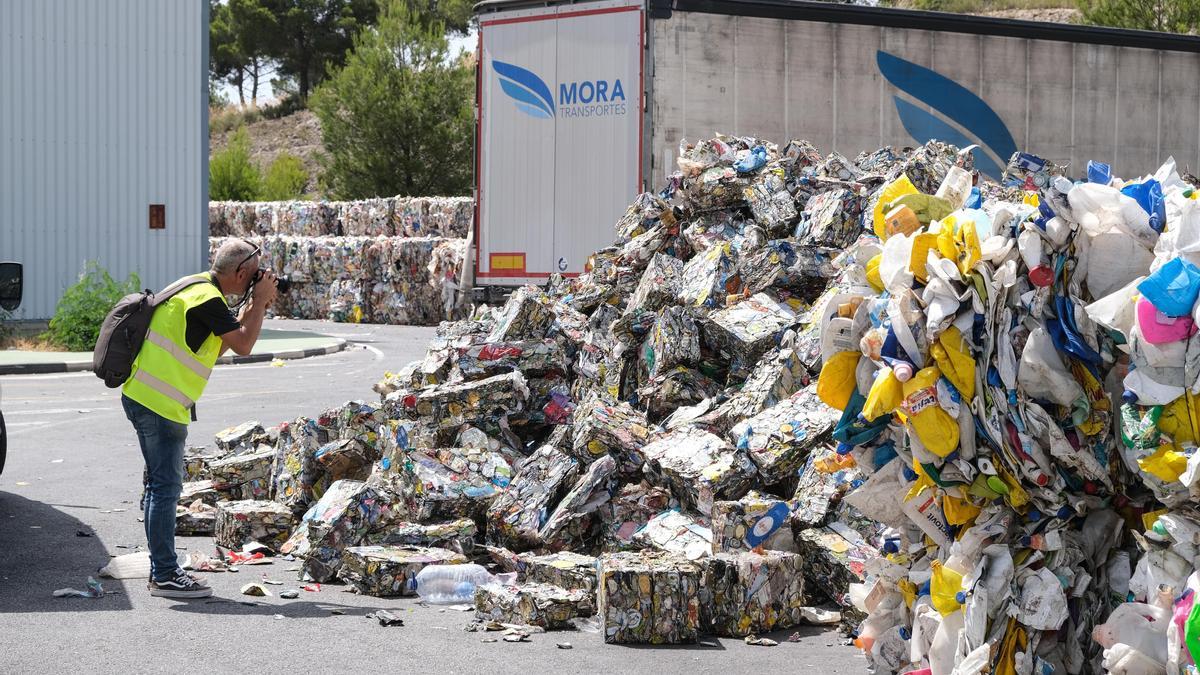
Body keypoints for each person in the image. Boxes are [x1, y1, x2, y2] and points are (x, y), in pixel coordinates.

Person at [122, 239, 278, 598]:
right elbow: (243, 345)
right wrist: (258, 304)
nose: (256, 281)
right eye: (254, 276)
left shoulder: (196, 287)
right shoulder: (208, 299)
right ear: (241, 273)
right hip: (161, 406)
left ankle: (161, 568)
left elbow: (219, 345)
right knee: (165, 489)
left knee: (157, 486)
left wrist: (254, 304)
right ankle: (164, 574)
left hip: (142, 396)